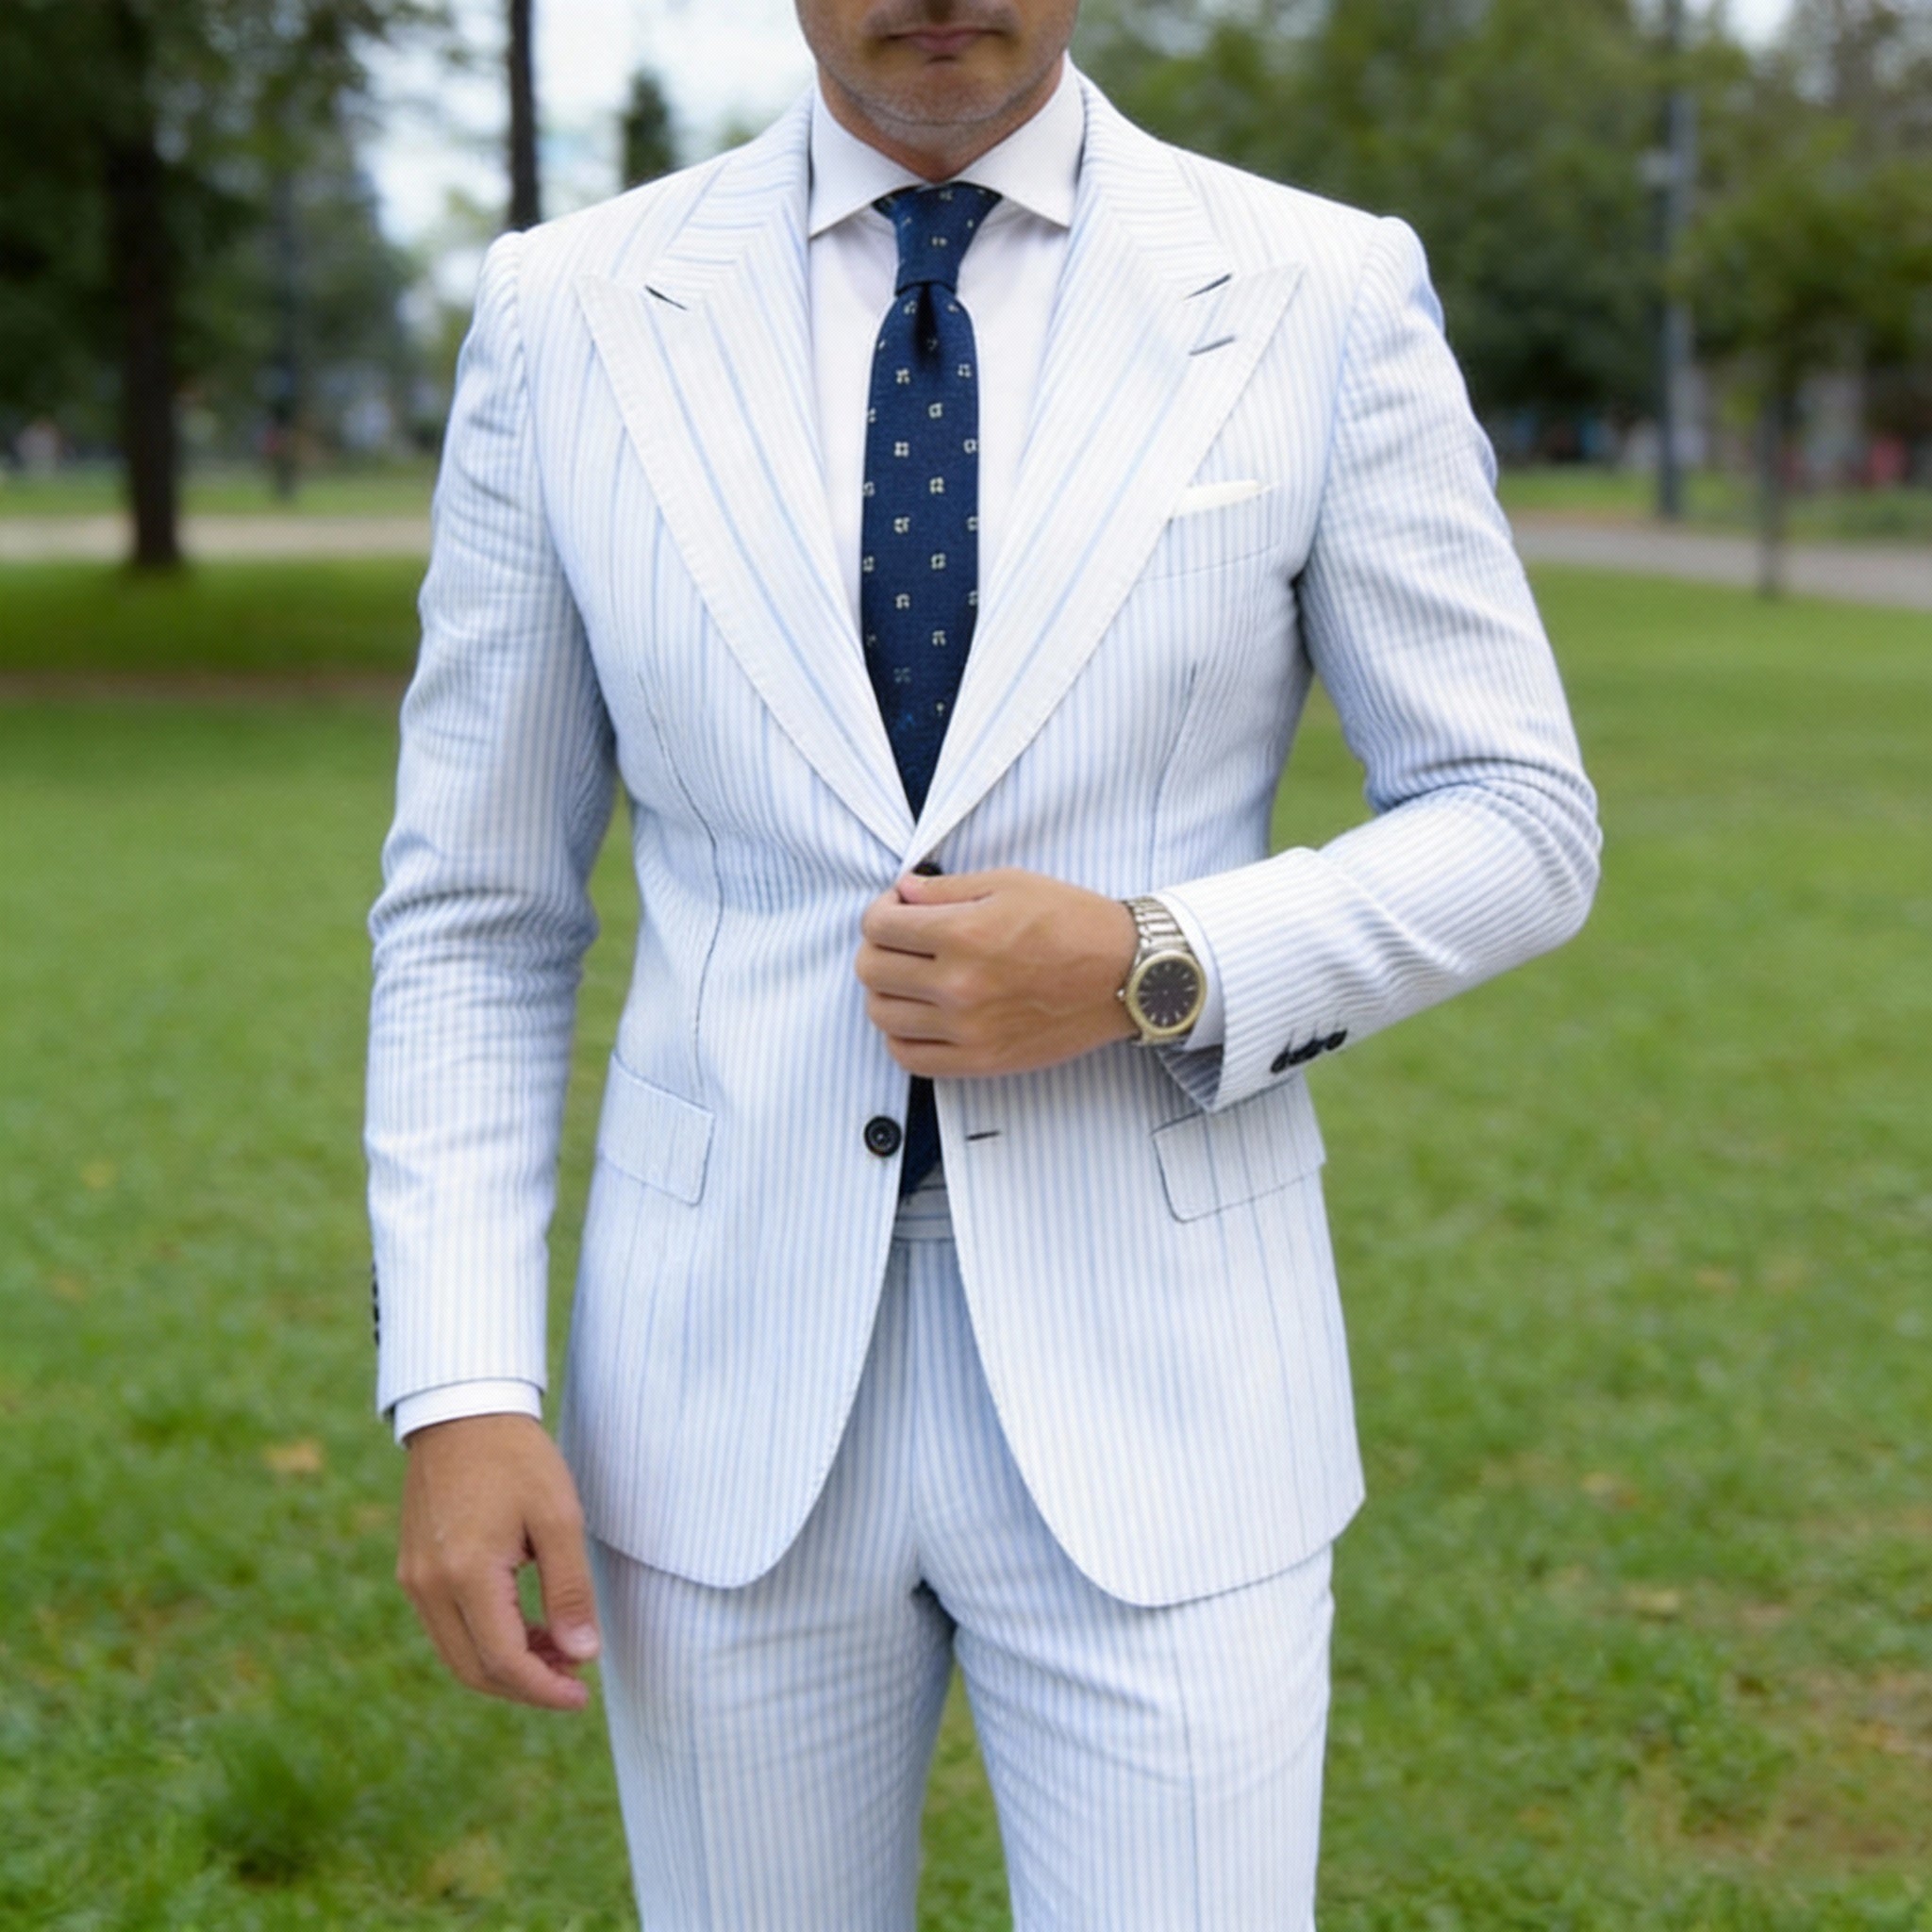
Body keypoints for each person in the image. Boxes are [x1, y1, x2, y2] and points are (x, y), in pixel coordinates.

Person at [365, 2, 1600, 1924]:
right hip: (712, 1394)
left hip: (1175, 1387)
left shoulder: (1315, 290)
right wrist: (459, 1382)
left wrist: (1154, 958)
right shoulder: (567, 313)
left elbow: (1517, 815)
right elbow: (474, 901)